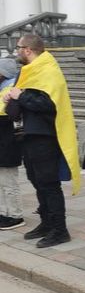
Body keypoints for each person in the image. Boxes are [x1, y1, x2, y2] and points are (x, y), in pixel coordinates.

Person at [2, 34, 81, 248]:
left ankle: (60, 229)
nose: (16, 51)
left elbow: (47, 104)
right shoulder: (27, 72)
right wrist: (12, 98)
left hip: (45, 137)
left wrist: (20, 96)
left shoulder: (49, 71)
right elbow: (24, 101)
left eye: (19, 47)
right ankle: (46, 224)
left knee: (49, 184)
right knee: (37, 182)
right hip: (27, 136)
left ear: (28, 49)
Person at [0, 58, 24, 230]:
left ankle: (15, 215)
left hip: (8, 144)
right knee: (3, 182)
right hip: (4, 144)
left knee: (9, 182)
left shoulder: (9, 89)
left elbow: (4, 111)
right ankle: (4, 213)